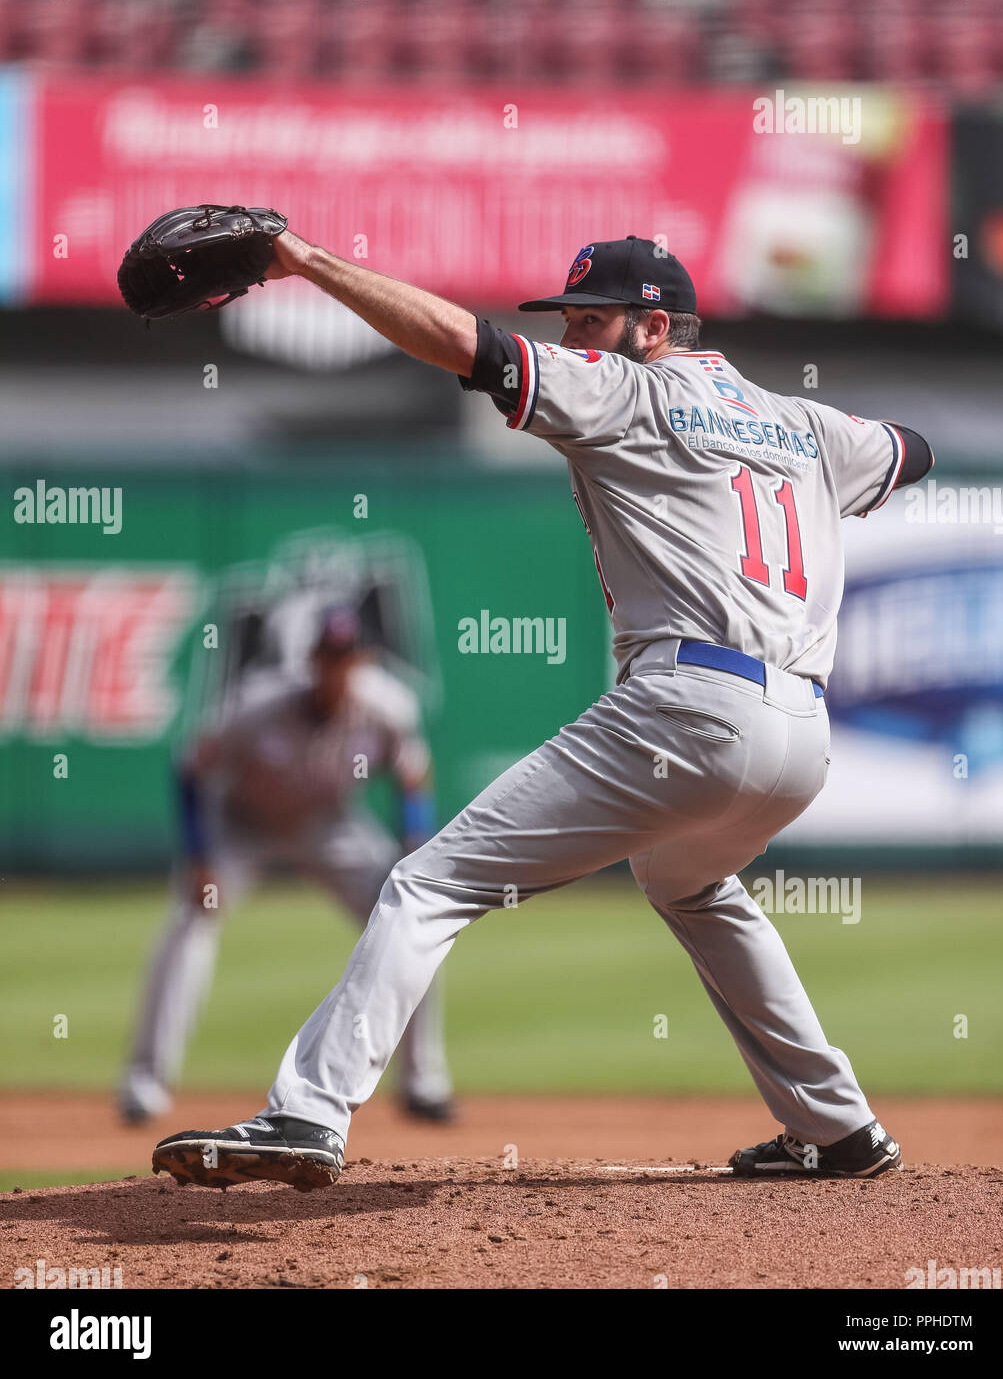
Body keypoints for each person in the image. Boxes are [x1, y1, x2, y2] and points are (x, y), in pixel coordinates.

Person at [153, 233, 933, 1191]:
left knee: (427, 883)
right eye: (566, 319)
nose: (573, 336)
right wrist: (799, 450)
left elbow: (465, 347)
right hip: (800, 743)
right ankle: (837, 1127)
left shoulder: (630, 390)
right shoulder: (807, 426)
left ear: (656, 326)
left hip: (687, 709)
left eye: (591, 319)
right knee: (694, 886)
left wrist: (306, 262)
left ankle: (308, 1114)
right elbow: (913, 451)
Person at [122, 604, 453, 1127]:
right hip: (242, 825)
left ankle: (423, 1082)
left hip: (329, 828)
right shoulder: (258, 706)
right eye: (328, 656)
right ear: (311, 658)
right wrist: (200, 856)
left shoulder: (387, 707)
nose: (337, 667)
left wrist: (413, 842)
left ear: (363, 660)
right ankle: (145, 1084)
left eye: (347, 657)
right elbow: (190, 768)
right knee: (192, 919)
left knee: (413, 914)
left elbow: (414, 776)